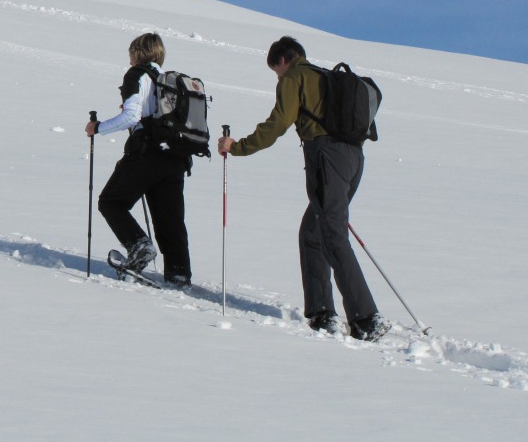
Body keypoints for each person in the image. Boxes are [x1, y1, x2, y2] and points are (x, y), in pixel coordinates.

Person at [216, 36, 387, 340]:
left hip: (327, 158)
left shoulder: (295, 77)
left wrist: (238, 146)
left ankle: (366, 318)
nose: (277, 77)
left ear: (283, 60)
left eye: (275, 71)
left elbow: (277, 125)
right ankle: (322, 313)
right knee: (313, 232)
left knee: (333, 235)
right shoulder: (324, 76)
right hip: (354, 159)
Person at [85, 33, 192, 287]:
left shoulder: (137, 75)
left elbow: (131, 116)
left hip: (147, 153)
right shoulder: (173, 81)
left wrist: (97, 127)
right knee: (170, 219)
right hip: (176, 156)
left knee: (110, 202)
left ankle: (139, 246)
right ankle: (179, 274)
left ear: (137, 52)